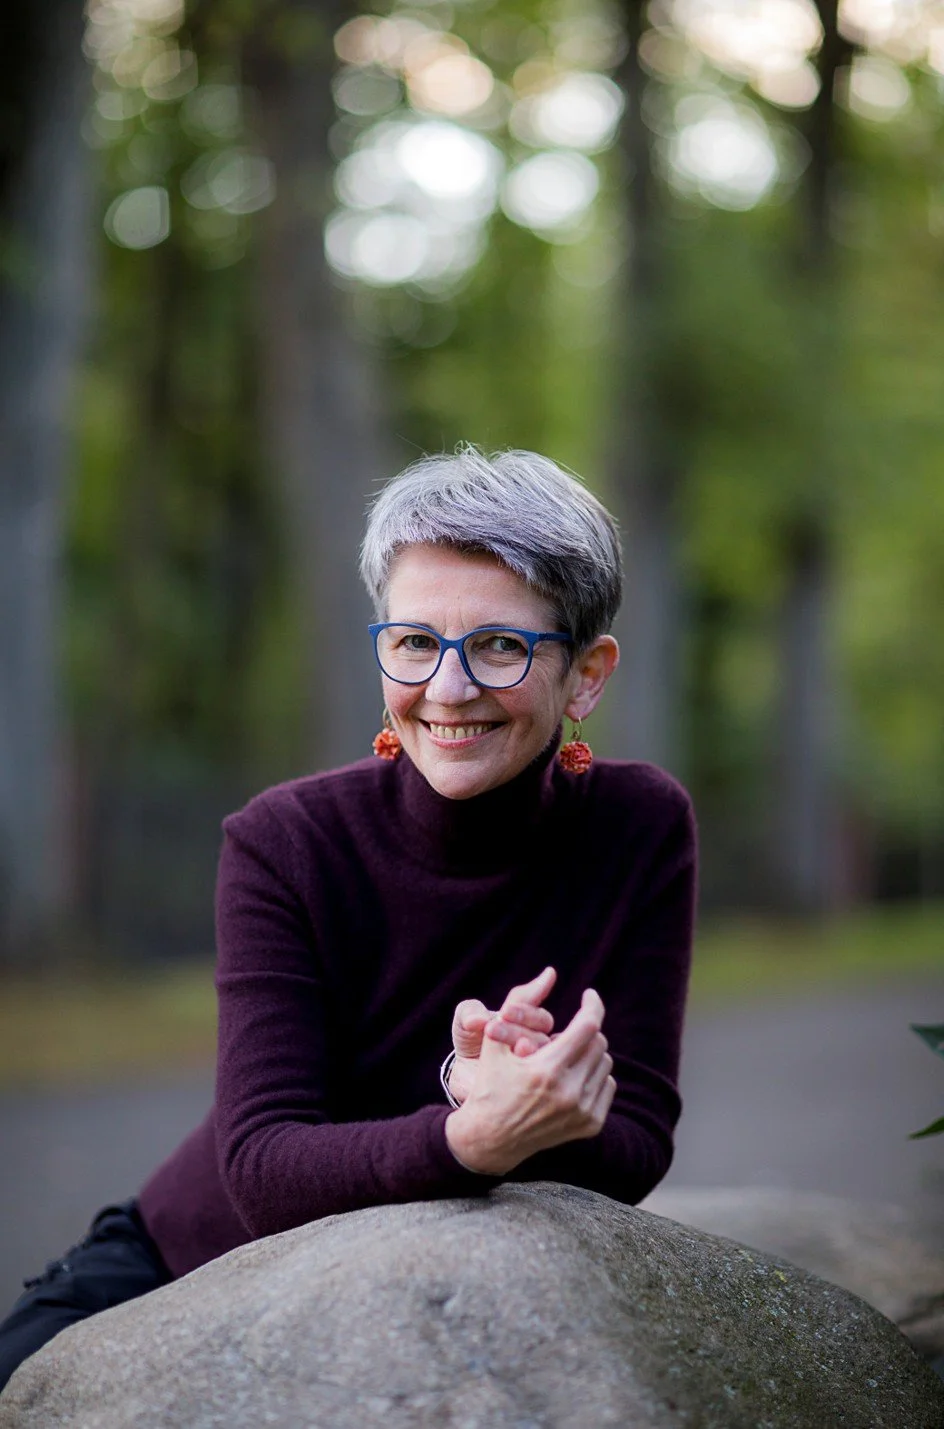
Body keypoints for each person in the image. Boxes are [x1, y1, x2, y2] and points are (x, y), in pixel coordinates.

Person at [0, 446, 697, 1394]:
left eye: (499, 645)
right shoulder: (283, 840)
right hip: (181, 1264)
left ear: (586, 675)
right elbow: (257, 1161)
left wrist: (526, 1094)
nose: (448, 689)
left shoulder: (640, 826)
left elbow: (638, 1142)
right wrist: (472, 1134)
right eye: (414, 641)